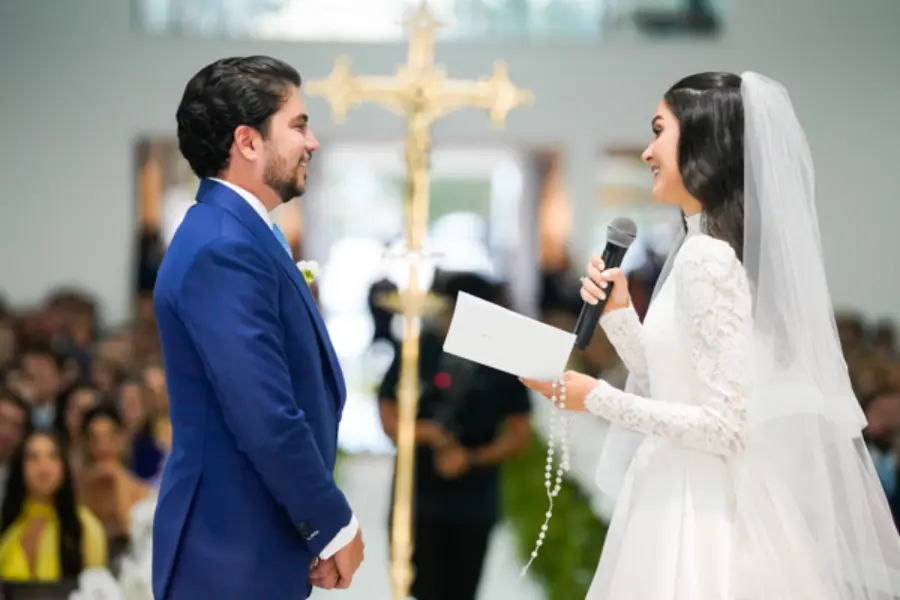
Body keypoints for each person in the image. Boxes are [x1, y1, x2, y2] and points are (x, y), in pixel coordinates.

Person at [523, 72, 900, 598]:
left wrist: (599, 398)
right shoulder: (700, 250)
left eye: (659, 131)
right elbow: (672, 382)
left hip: (697, 509)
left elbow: (727, 426)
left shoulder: (707, 257)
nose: (647, 152)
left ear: (703, 142)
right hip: (676, 485)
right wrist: (619, 313)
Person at [152, 56, 363, 600]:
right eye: (298, 125)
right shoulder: (224, 247)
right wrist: (334, 523)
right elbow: (264, 412)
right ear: (247, 141)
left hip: (249, 538)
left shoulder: (240, 231)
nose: (312, 142)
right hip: (228, 549)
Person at [377, 272, 532, 600]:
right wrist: (426, 434)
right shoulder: (418, 350)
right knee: (418, 587)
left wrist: (471, 458)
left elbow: (520, 434)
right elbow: (389, 415)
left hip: (473, 502)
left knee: (462, 589)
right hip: (417, 495)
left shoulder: (502, 358)